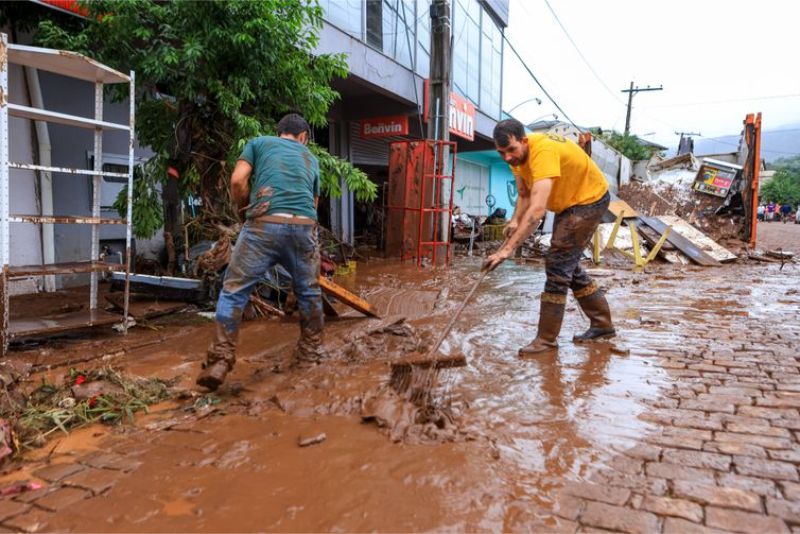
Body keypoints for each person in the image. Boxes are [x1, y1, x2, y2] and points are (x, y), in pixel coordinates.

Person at [196, 113, 324, 391]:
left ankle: (220, 359)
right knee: (310, 292)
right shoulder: (311, 159)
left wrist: (243, 210)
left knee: (233, 291)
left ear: (280, 132)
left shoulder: (258, 143)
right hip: (303, 227)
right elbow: (313, 206)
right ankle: (310, 357)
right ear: (303, 137)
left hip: (263, 224)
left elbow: (237, 181)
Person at [483, 119, 614, 355]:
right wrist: (514, 221)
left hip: (590, 199)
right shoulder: (515, 157)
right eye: (501, 153)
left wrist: (506, 250)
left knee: (557, 264)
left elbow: (536, 212)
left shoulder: (542, 152)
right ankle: (602, 325)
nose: (507, 158)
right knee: (566, 265)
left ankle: (546, 340)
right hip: (569, 203)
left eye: (511, 150)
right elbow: (523, 195)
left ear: (523, 140)